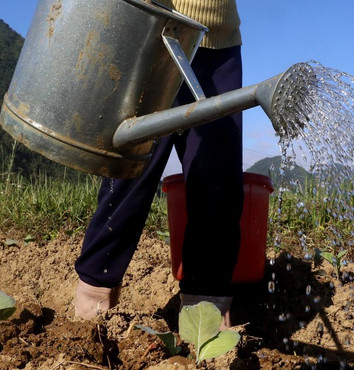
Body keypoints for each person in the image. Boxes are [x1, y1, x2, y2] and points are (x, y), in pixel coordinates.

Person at [74, 0, 244, 328]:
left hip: (217, 42)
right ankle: (94, 295)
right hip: (152, 27)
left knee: (216, 181)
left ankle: (205, 309)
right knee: (129, 171)